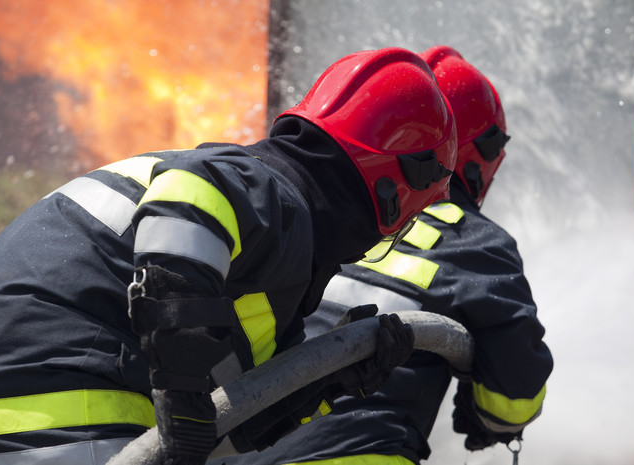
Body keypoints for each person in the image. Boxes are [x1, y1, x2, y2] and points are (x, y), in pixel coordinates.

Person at [0, 47, 459, 465]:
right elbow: (191, 201)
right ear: (397, 187)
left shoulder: (258, 245)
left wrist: (327, 380)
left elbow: (221, 428)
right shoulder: (268, 193)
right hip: (51, 421)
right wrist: (181, 390)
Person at [220, 45, 553, 465]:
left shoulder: (306, 216)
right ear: (474, 156)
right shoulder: (476, 244)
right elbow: (512, 400)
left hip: (227, 448)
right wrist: (485, 414)